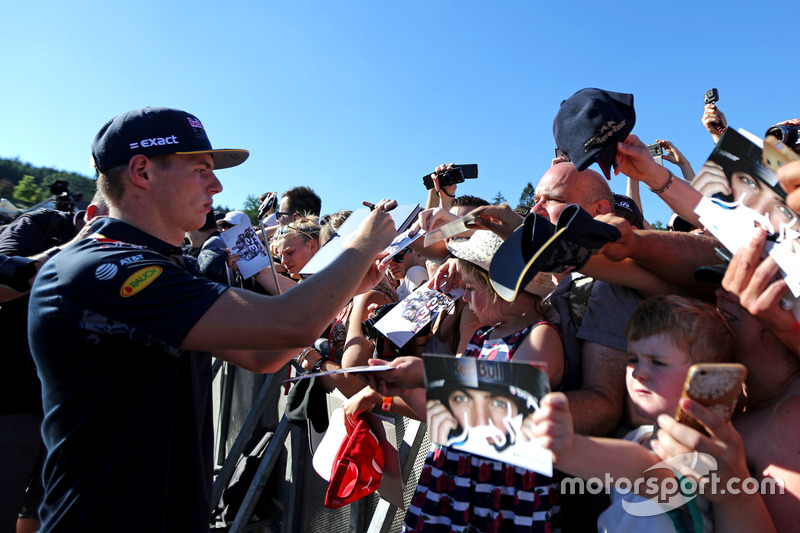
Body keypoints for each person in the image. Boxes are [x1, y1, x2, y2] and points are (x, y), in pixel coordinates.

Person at [27, 106, 396, 533]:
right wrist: (361, 246)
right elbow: (286, 324)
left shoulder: (161, 265)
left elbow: (266, 355)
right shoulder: (104, 266)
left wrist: (344, 289)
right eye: (200, 169)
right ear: (142, 171)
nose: (217, 185)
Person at [532, 295, 737, 532]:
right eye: (633, 358)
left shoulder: (703, 454)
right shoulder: (637, 438)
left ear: (705, 378)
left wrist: (567, 447)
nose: (638, 372)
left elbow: (644, 471)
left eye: (657, 362)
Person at [0, 191, 107, 533]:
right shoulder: (41, 224)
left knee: (44, 517)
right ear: (91, 214)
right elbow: (4, 283)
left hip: (70, 414)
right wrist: (80, 244)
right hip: (12, 402)